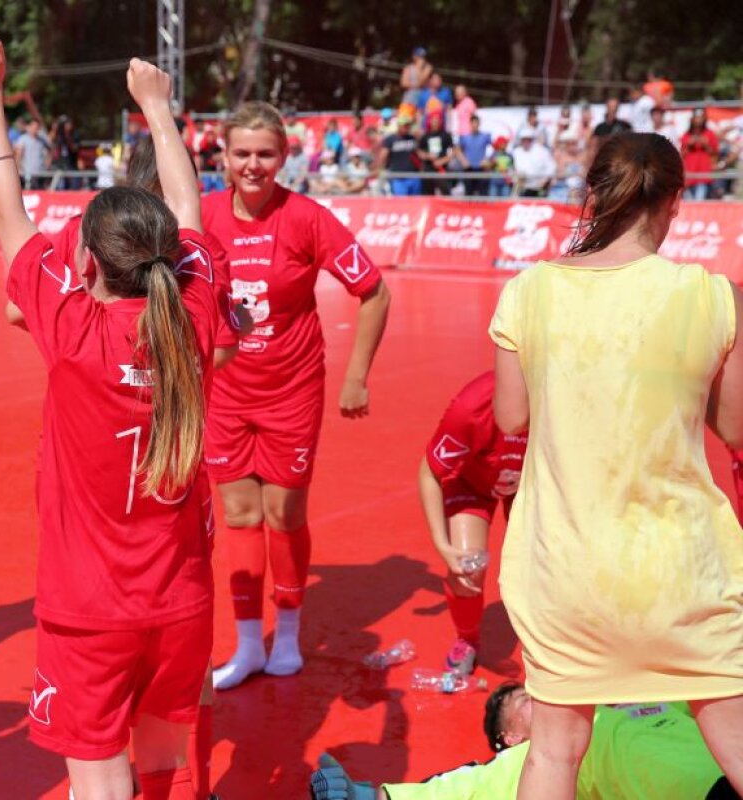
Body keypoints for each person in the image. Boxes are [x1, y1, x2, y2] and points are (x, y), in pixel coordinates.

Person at [0, 30, 221, 800]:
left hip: (90, 609)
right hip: (180, 604)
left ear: (83, 265)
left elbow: (5, 205)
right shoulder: (194, 315)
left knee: (100, 782)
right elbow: (188, 205)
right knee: (162, 767)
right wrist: (158, 111)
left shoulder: (71, 330)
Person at [490, 132, 743, 798]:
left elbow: (510, 416)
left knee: (554, 754)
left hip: (566, 568)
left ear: (592, 193)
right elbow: (736, 426)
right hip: (681, 570)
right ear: (678, 201)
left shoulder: (530, 290)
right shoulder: (709, 293)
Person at [204, 100, 391, 691]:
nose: (253, 165)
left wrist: (356, 375)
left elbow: (374, 291)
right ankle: (244, 644)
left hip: (291, 390)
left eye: (265, 154)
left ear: (284, 157)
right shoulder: (203, 214)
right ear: (224, 157)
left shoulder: (307, 217)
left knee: (283, 514)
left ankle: (286, 632)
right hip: (225, 392)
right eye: (242, 154)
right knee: (238, 514)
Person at [309, 684, 739, 799]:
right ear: (510, 736)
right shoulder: (526, 761)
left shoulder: (635, 696)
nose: (539, 696)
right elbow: (460, 788)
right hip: (700, 788)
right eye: (524, 701)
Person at [419, 372, 526, 677]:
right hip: (472, 485)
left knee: (548, 565)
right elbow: (430, 473)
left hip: (528, 485)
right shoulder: (471, 407)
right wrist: (443, 545)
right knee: (468, 570)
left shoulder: (562, 403)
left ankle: (558, 642)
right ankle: (467, 639)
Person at [682, 108, 719, 201]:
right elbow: (682, 154)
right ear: (692, 119)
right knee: (690, 203)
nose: (698, 120)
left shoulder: (710, 134)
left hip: (704, 175)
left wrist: (706, 145)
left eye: (701, 117)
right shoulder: (686, 135)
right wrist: (689, 145)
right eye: (696, 118)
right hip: (689, 176)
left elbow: (715, 154)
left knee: (699, 201)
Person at [379, 115, 422, 196]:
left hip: (413, 176)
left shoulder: (412, 138)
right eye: (405, 125)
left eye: (408, 125)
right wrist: (382, 170)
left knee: (416, 203)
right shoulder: (390, 139)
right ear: (399, 126)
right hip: (398, 178)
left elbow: (419, 153)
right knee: (401, 203)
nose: (407, 127)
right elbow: (383, 156)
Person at [416, 112, 454, 196]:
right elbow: (419, 151)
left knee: (446, 193)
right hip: (428, 170)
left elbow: (452, 151)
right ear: (430, 122)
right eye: (433, 121)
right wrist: (427, 156)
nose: (435, 123)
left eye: (437, 121)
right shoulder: (425, 136)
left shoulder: (446, 135)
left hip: (442, 170)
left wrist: (442, 160)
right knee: (428, 194)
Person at [509, 128, 555, 197]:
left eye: (528, 139)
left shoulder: (542, 151)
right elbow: (511, 168)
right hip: (522, 187)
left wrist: (545, 180)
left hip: (539, 186)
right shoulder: (516, 152)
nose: (526, 142)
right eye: (523, 139)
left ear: (532, 139)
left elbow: (551, 166)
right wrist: (515, 178)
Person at [456, 114, 492, 197]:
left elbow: (494, 148)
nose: (475, 125)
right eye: (473, 123)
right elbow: (457, 150)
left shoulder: (485, 136)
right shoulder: (465, 137)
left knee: (483, 194)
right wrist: (463, 160)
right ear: (470, 124)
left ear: (479, 124)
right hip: (469, 169)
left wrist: (487, 159)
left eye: (476, 123)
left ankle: (483, 210)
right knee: (468, 194)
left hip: (481, 168)